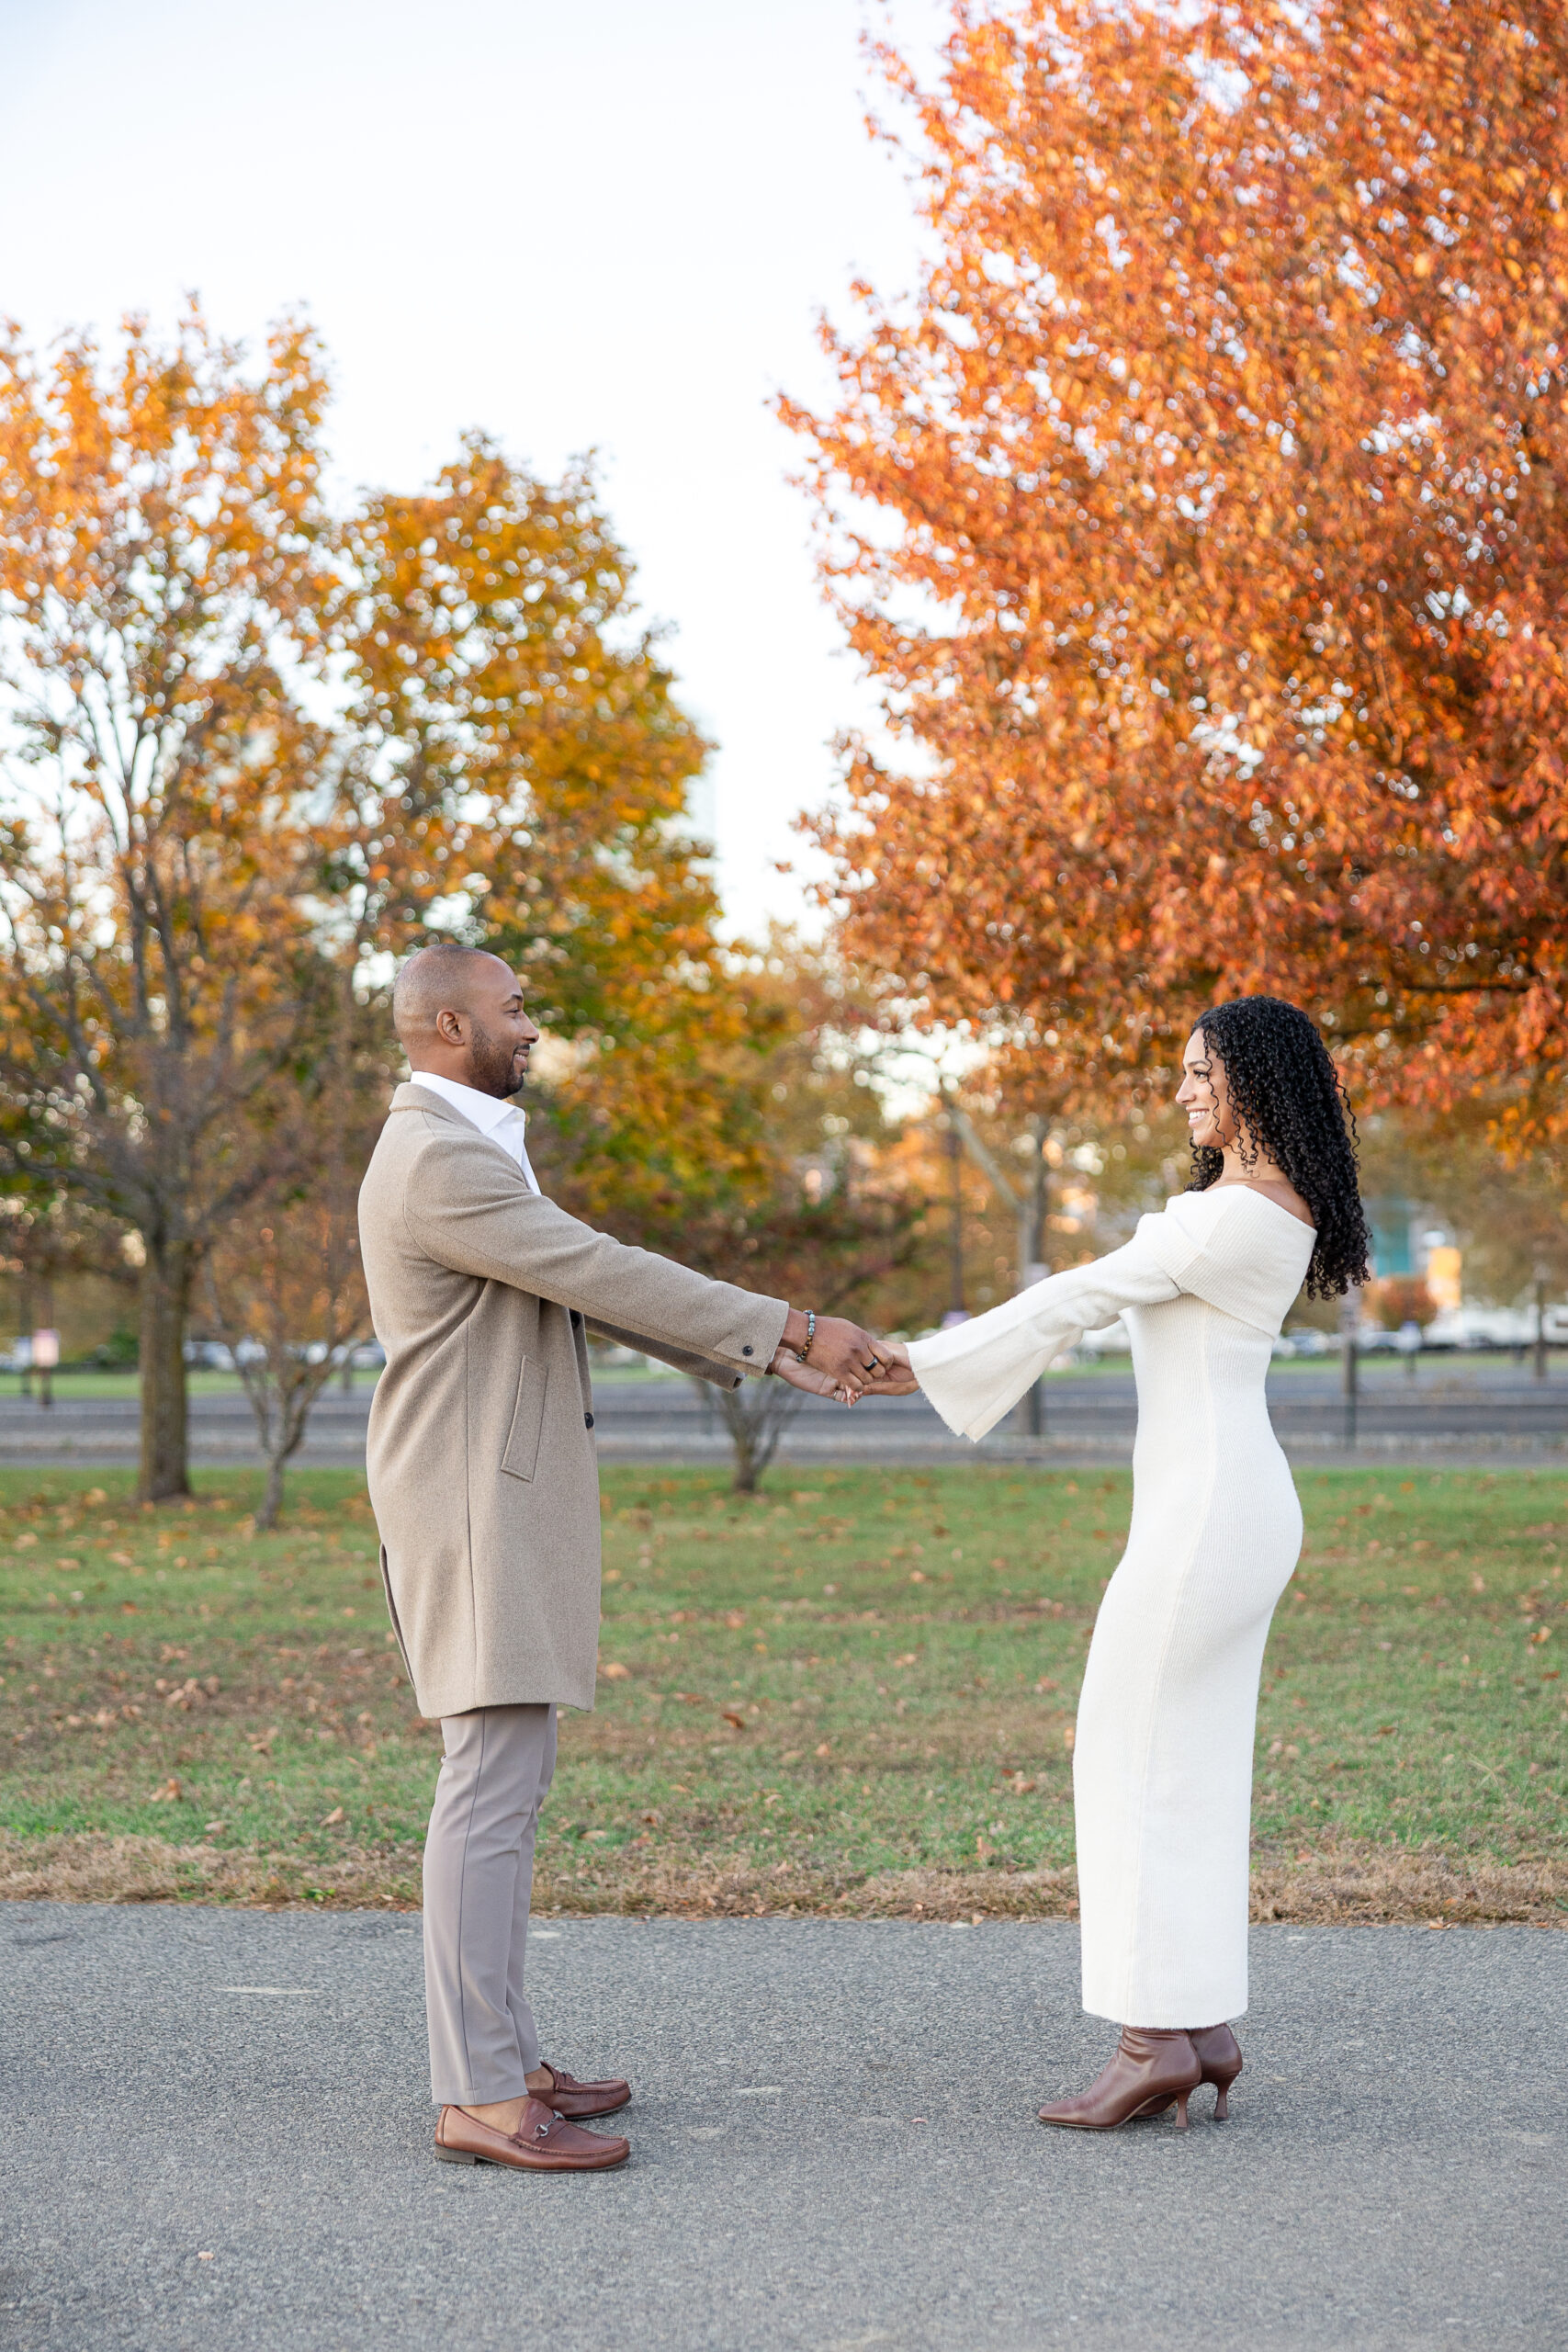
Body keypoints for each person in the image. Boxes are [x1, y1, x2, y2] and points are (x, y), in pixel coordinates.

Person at [358, 942, 887, 2175]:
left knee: (506, 1785)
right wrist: (795, 1327)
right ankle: (481, 2095)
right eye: (513, 1007)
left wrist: (776, 1355)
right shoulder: (435, 1158)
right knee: (488, 1790)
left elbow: (575, 1287)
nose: (532, 1025)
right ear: (444, 1026)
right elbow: (595, 1266)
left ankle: (505, 2058)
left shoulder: (465, 1146)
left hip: (486, 1500)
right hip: (470, 1505)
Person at [876, 998, 1371, 2130]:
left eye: (1204, 1073)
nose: (1184, 1091)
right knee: (1181, 1763)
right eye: (1182, 1072)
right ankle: (1197, 2026)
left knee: (1128, 1757)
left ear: (1258, 1081)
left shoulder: (1232, 1215)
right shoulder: (1253, 1203)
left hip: (1210, 1517)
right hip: (1224, 1507)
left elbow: (1079, 1295)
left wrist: (919, 1364)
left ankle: (1153, 2038)